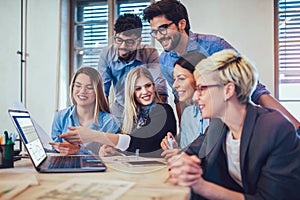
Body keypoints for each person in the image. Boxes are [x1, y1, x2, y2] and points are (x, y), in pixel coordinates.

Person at [143, 0, 300, 129]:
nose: (158, 36)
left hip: (228, 123)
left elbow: (255, 90)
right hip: (200, 126)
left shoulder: (214, 45)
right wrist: (185, 135)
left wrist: (295, 126)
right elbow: (181, 99)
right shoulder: (165, 61)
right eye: (154, 31)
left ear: (181, 24)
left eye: (163, 29)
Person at [167, 49, 300, 199]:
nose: (196, 97)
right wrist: (184, 164)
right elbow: (190, 154)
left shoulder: (275, 129)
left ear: (228, 90)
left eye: (202, 88)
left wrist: (201, 186)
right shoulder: (218, 126)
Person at [59, 67, 177, 157]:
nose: (145, 91)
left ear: (154, 86)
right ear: (132, 92)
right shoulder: (134, 116)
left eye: (148, 86)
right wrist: (112, 150)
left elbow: (142, 142)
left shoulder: (163, 111)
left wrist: (93, 135)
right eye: (138, 88)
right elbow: (132, 149)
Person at [98, 13, 167, 124]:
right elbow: (102, 92)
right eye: (119, 40)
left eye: (129, 42)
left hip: (145, 109)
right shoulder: (107, 54)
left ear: (138, 42)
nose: (122, 46)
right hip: (121, 108)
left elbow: (160, 89)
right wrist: (105, 121)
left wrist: (155, 119)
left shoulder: (150, 53)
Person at [50, 66, 120, 155]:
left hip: (96, 168)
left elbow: (113, 156)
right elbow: (55, 151)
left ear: (97, 91)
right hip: (65, 167)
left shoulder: (110, 122)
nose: (83, 91)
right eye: (78, 86)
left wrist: (78, 150)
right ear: (72, 88)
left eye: (89, 87)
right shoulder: (60, 116)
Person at [160, 52, 209, 160]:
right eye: (174, 79)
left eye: (181, 78)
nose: (174, 85)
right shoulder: (187, 114)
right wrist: (175, 149)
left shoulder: (218, 114)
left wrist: (183, 153)